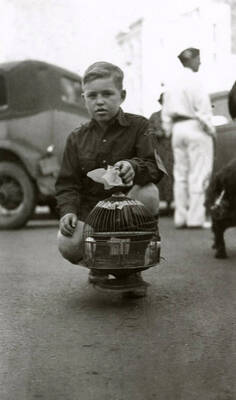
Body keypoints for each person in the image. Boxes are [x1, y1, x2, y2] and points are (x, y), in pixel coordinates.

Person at [55, 61, 165, 293]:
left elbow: (155, 168)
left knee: (148, 192)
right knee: (67, 241)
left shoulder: (139, 126)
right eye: (92, 96)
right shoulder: (76, 138)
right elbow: (67, 184)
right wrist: (68, 212)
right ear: (84, 98)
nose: (100, 101)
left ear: (122, 95)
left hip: (128, 214)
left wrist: (134, 167)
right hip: (92, 216)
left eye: (107, 94)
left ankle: (133, 267)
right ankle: (98, 266)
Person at [161, 47, 215, 229]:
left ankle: (180, 217)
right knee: (198, 173)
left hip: (177, 129)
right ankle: (195, 219)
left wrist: (169, 130)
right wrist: (210, 129)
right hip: (194, 126)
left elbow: (165, 112)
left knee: (180, 174)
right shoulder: (195, 80)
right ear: (191, 60)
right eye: (198, 59)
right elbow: (204, 109)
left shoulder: (172, 83)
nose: (200, 62)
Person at [149, 93, 173, 213]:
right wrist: (157, 133)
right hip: (160, 150)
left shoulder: (174, 116)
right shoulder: (155, 116)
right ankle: (162, 204)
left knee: (174, 175)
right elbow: (148, 131)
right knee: (161, 175)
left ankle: (172, 204)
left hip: (174, 150)